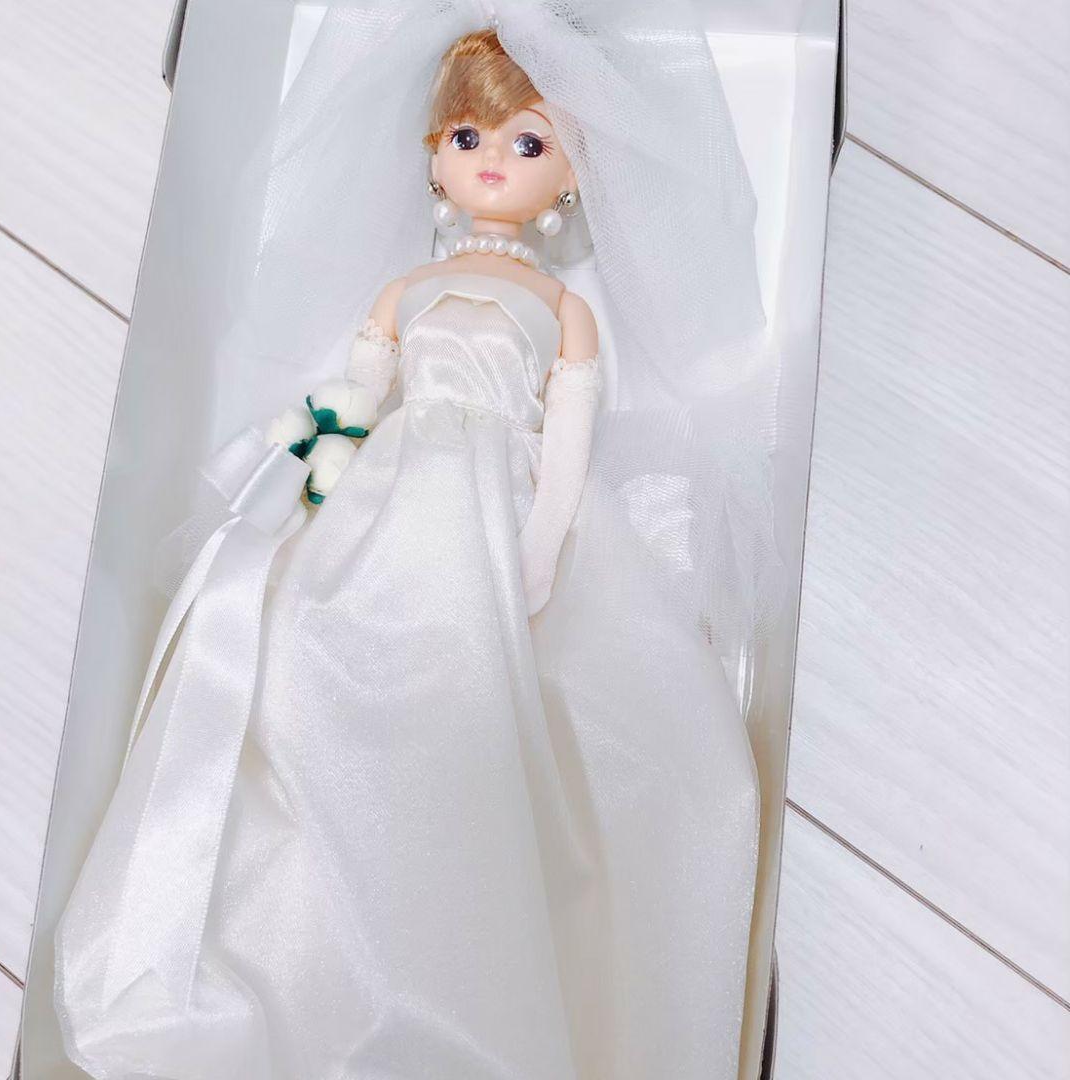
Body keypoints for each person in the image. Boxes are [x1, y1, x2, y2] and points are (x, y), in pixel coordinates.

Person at [54, 10, 771, 1080]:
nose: (493, 161)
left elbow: (568, 442)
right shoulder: (406, 293)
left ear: (572, 175)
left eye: (528, 141)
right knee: (309, 663)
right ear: (434, 155)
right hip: (387, 489)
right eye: (468, 137)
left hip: (499, 502)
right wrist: (307, 474)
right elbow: (356, 401)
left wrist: (543, 544)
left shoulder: (559, 307)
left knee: (502, 710)